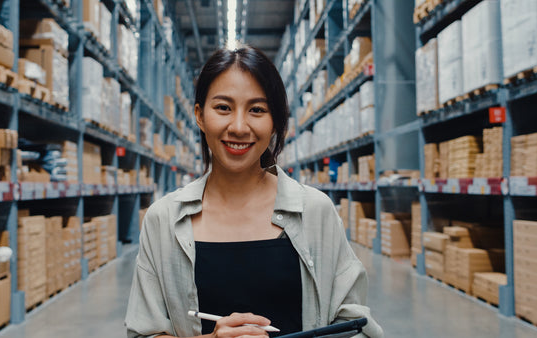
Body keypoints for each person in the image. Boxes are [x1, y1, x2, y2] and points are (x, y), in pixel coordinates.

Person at [125, 44, 383, 338]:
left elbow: (356, 326)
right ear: (199, 115)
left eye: (257, 110)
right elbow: (143, 333)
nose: (238, 126)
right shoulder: (164, 221)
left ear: (275, 121)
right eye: (223, 108)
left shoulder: (315, 211)